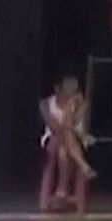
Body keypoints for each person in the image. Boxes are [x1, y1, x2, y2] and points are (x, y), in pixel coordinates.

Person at [39, 73, 95, 213]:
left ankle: (62, 188)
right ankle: (80, 166)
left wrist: (72, 105)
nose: (72, 90)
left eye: (74, 87)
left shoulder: (82, 104)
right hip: (54, 138)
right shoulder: (45, 104)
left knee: (63, 151)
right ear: (58, 88)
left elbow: (72, 122)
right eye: (68, 86)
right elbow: (56, 127)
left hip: (76, 139)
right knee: (59, 144)